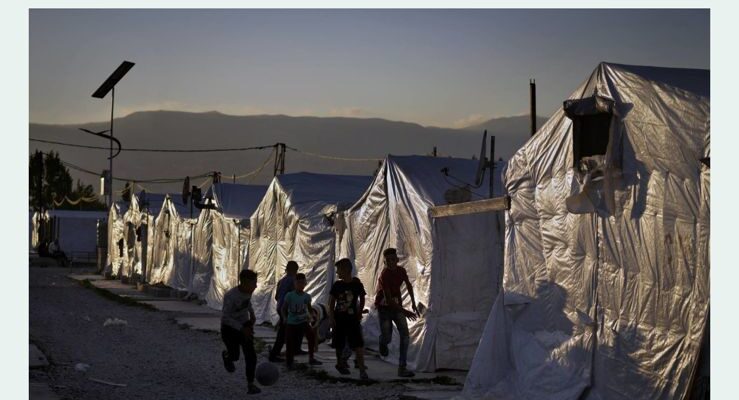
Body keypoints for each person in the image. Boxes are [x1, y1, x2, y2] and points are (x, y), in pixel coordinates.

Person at [375, 248, 418, 377]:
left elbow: (408, 285)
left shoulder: (401, 271)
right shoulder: (384, 275)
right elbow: (388, 300)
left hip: (397, 307)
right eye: (387, 260)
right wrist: (405, 311)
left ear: (397, 260)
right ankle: (382, 341)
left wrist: (413, 302)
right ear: (385, 262)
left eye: (393, 259)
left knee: (405, 335)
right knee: (387, 337)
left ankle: (402, 367)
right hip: (385, 309)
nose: (390, 262)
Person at [221, 269, 261, 395]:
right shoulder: (231, 296)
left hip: (244, 325)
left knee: (251, 355)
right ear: (244, 282)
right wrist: (241, 329)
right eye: (253, 283)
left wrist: (252, 314)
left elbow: (247, 303)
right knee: (235, 356)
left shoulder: (248, 292)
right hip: (229, 328)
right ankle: (227, 356)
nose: (256, 286)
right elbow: (225, 318)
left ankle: (251, 384)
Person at [329, 258, 369, 380]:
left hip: (353, 319)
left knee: (358, 344)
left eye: (339, 270)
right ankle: (340, 364)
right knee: (339, 343)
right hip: (339, 318)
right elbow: (331, 302)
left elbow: (362, 297)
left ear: (346, 270)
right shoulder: (337, 285)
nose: (337, 272)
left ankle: (362, 370)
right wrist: (332, 317)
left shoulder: (356, 285)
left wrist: (359, 312)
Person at [282, 273, 323, 369]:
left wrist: (313, 316)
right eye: (298, 283)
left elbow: (309, 309)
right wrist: (284, 318)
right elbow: (283, 308)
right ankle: (289, 362)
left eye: (302, 283)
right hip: (291, 322)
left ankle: (311, 358)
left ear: (305, 283)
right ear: (295, 283)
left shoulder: (307, 296)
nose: (300, 285)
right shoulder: (289, 295)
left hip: (303, 321)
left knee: (311, 337)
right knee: (290, 342)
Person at [269, 261, 299, 362]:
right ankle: (275, 354)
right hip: (287, 309)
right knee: (284, 333)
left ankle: (278, 353)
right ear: (295, 270)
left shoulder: (281, 281)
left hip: (280, 307)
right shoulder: (293, 281)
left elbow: (276, 296)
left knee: (284, 331)